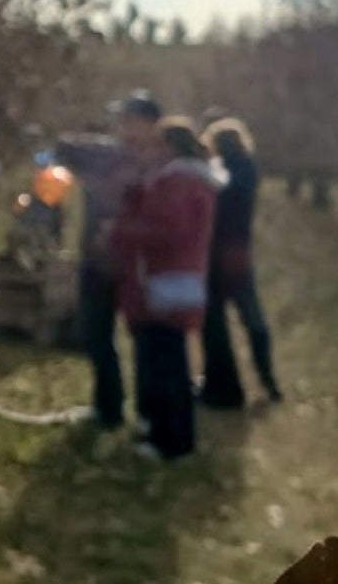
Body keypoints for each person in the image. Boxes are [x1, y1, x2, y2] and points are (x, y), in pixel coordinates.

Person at [109, 118, 223, 460]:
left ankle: (171, 441)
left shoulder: (177, 182)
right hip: (179, 278)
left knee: (165, 363)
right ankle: (162, 428)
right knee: (163, 358)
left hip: (164, 279)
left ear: (171, 147)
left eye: (157, 145)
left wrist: (122, 231)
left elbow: (166, 230)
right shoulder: (191, 180)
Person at [56, 91, 163, 430]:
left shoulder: (162, 163)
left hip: (138, 266)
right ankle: (108, 409)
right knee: (96, 335)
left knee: (147, 343)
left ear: (150, 126)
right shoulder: (104, 153)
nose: (124, 127)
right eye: (122, 121)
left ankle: (149, 415)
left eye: (131, 121)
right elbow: (63, 147)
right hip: (97, 262)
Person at [198, 118, 282, 407]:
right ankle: (268, 380)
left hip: (214, 251)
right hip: (239, 251)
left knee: (214, 321)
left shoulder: (217, 173)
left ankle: (218, 381)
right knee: (252, 318)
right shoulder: (248, 170)